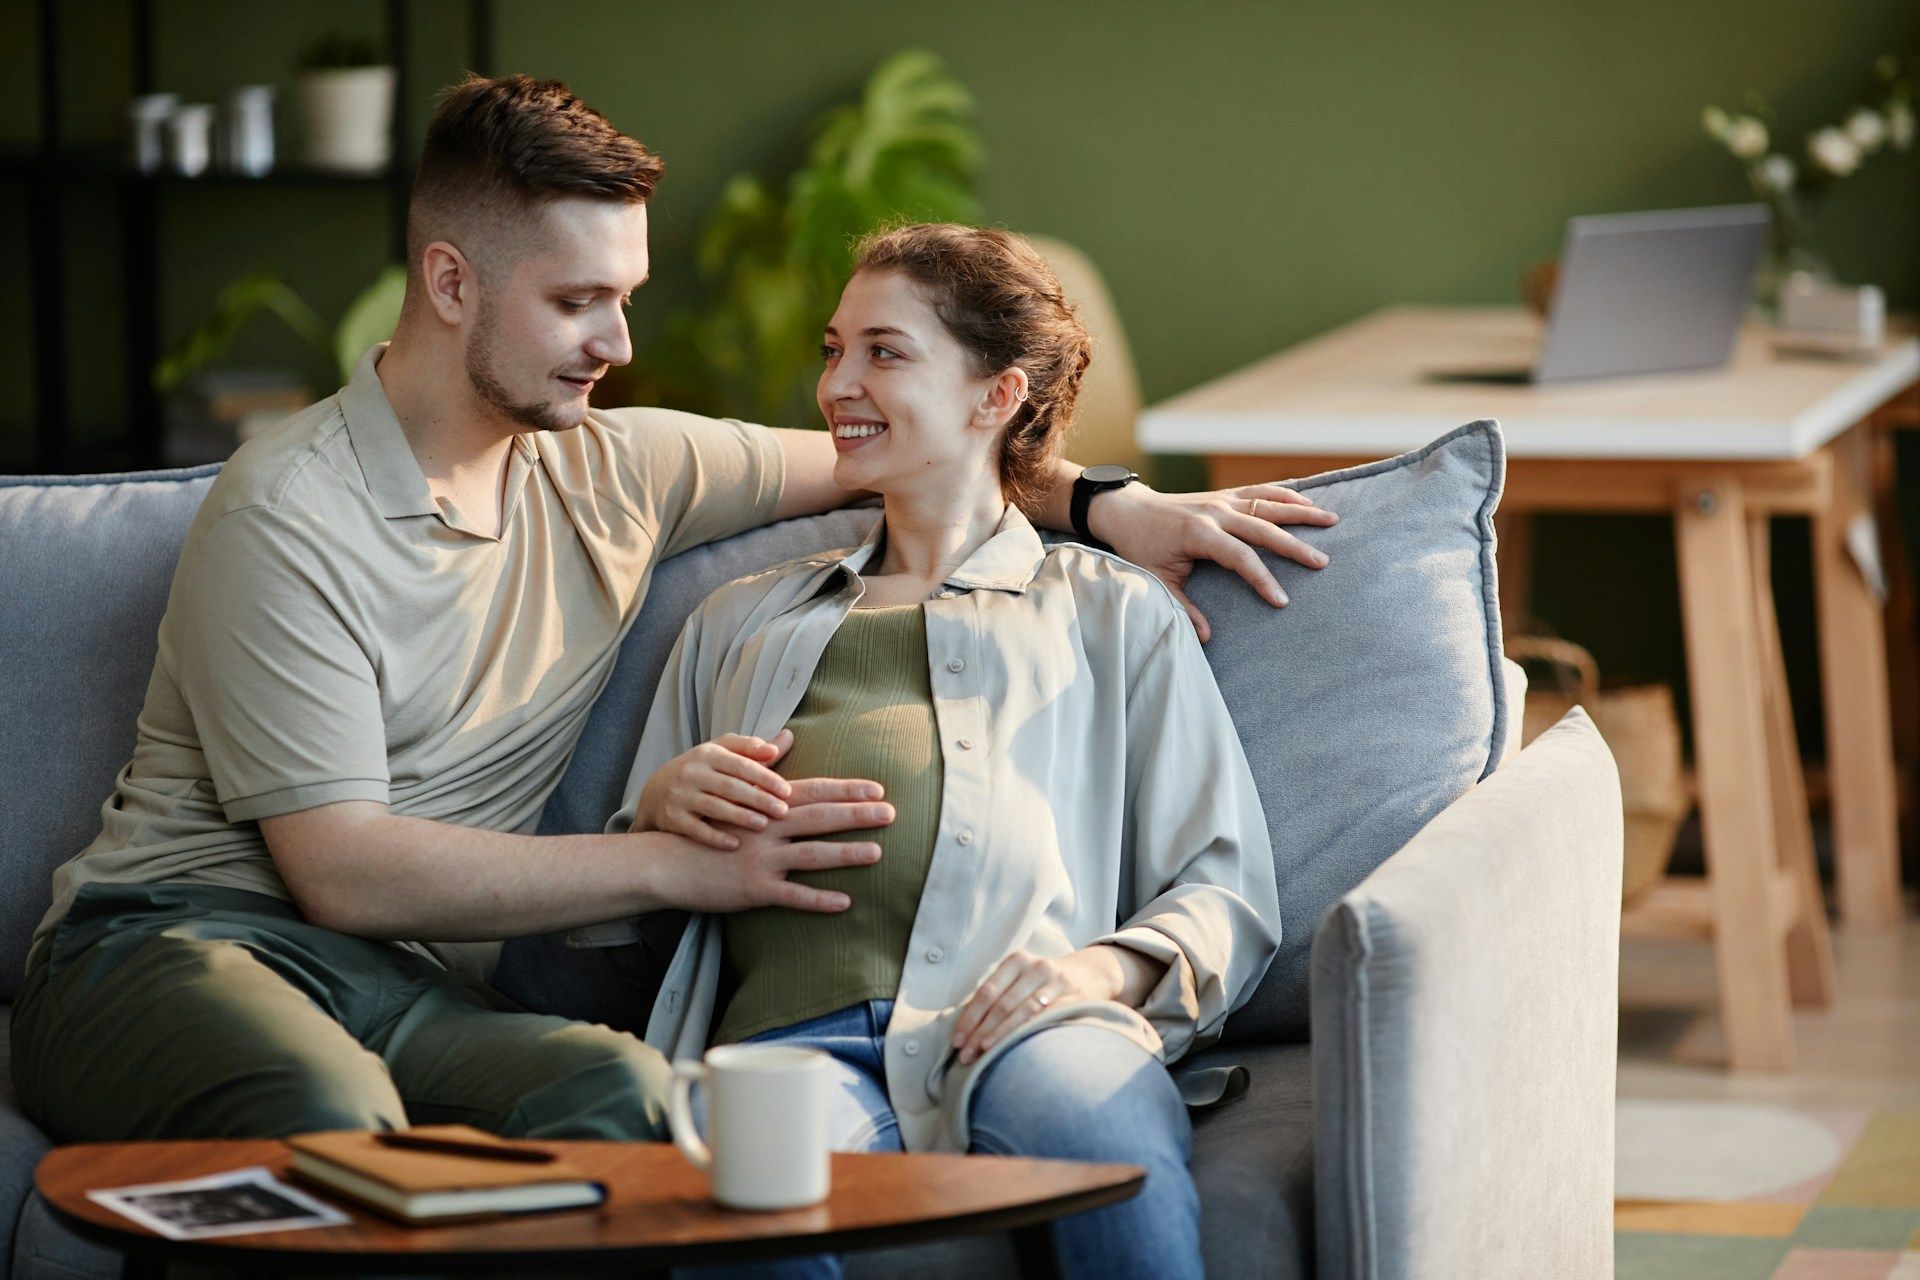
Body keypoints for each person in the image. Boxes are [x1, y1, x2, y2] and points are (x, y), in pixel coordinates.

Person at [10, 75, 1333, 1149]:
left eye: (624, 301)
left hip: (402, 985)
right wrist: (672, 857)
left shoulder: (614, 469)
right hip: (176, 949)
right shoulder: (291, 506)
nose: (619, 346)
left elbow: (915, 452)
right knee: (328, 1120)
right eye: (579, 303)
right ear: (452, 281)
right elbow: (342, 871)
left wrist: (1110, 506)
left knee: (632, 1108)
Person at [585, 224, 1286, 1280]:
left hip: (1029, 1028)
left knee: (1106, 1141)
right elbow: (623, 906)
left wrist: (1096, 970)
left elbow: (1227, 889)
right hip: (789, 1047)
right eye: (832, 348)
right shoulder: (735, 620)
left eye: (883, 351)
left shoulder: (1112, 615)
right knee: (739, 1216)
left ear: (994, 396)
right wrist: (658, 811)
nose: (835, 383)